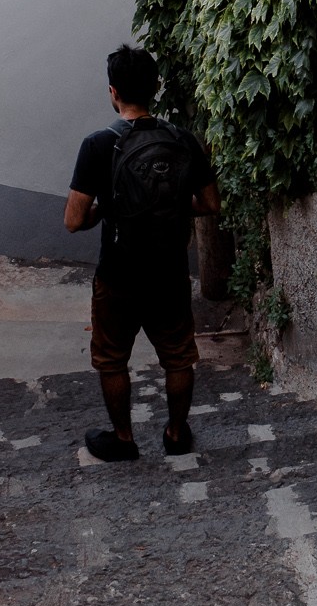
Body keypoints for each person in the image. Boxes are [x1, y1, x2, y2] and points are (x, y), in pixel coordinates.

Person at [64, 43, 221, 462]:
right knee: (178, 356)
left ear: (113, 91)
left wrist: (107, 209)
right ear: (156, 88)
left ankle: (123, 438)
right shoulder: (184, 140)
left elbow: (74, 220)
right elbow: (209, 204)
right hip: (169, 271)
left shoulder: (97, 145)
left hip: (118, 274)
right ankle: (174, 433)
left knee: (112, 359)